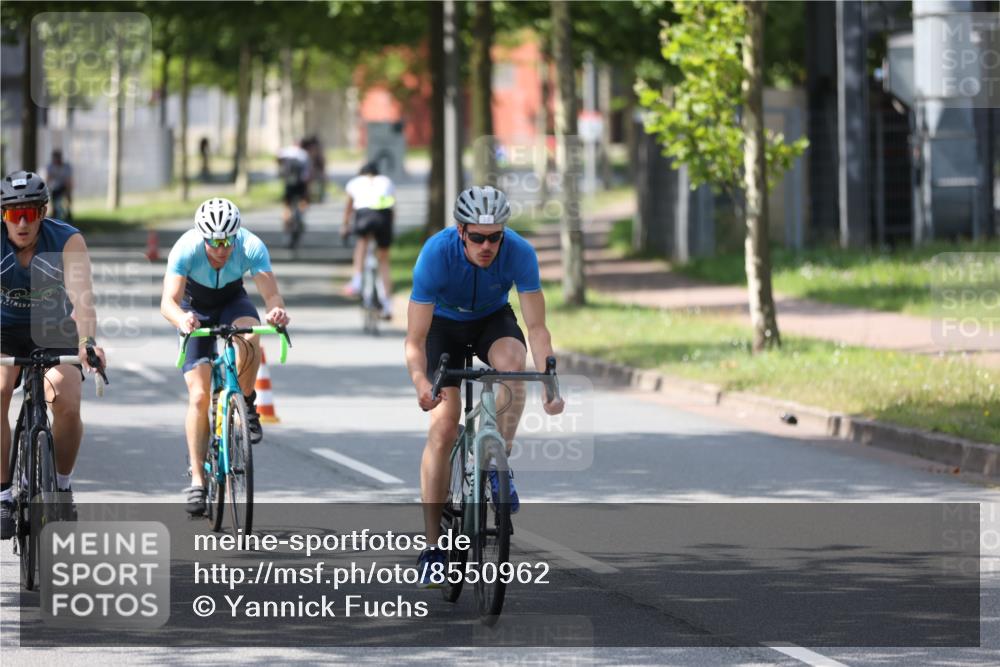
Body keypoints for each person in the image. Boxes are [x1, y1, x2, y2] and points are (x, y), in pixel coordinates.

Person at [403, 185, 565, 587]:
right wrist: (422, 382)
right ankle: (433, 548)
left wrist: (550, 379)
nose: (487, 246)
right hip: (443, 327)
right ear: (461, 231)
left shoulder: (520, 252)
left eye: (495, 237)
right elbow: (414, 340)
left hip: (492, 320)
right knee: (443, 425)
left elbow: (538, 327)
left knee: (513, 369)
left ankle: (498, 462)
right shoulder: (435, 255)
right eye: (477, 237)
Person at [160, 197, 290, 516]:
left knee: (249, 337)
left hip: (233, 301)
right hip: (194, 308)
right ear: (203, 237)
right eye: (215, 242)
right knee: (200, 396)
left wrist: (276, 310)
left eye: (227, 241)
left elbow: (271, 293)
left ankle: (245, 402)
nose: (221, 248)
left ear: (236, 235)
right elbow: (168, 302)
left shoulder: (251, 246)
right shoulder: (186, 248)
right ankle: (197, 479)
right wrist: (182, 320)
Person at [1, 170, 107, 539]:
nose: (24, 222)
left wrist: (88, 342)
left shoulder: (66, 239)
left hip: (53, 328)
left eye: (31, 212)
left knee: (66, 396)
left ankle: (60, 485)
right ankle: (3, 493)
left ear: (44, 212)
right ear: (3, 216)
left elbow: (82, 299)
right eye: (15, 215)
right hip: (3, 330)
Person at [340, 162, 395, 319]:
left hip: (364, 215)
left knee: (362, 243)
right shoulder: (386, 181)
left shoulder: (355, 182)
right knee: (384, 260)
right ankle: (387, 306)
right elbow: (393, 208)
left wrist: (344, 226)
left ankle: (357, 281)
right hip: (384, 217)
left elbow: (348, 209)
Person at [276, 142, 311, 248]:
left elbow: (278, 161)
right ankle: (300, 216)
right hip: (301, 185)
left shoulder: (285, 152)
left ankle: (287, 225)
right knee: (303, 202)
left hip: (289, 184)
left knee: (287, 206)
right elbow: (308, 173)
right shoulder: (304, 154)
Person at [44, 150, 73, 221]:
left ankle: (67, 215)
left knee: (65, 203)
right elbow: (48, 179)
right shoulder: (50, 167)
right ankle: (56, 216)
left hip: (64, 187)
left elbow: (68, 180)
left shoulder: (66, 167)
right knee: (56, 204)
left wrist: (68, 191)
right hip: (55, 189)